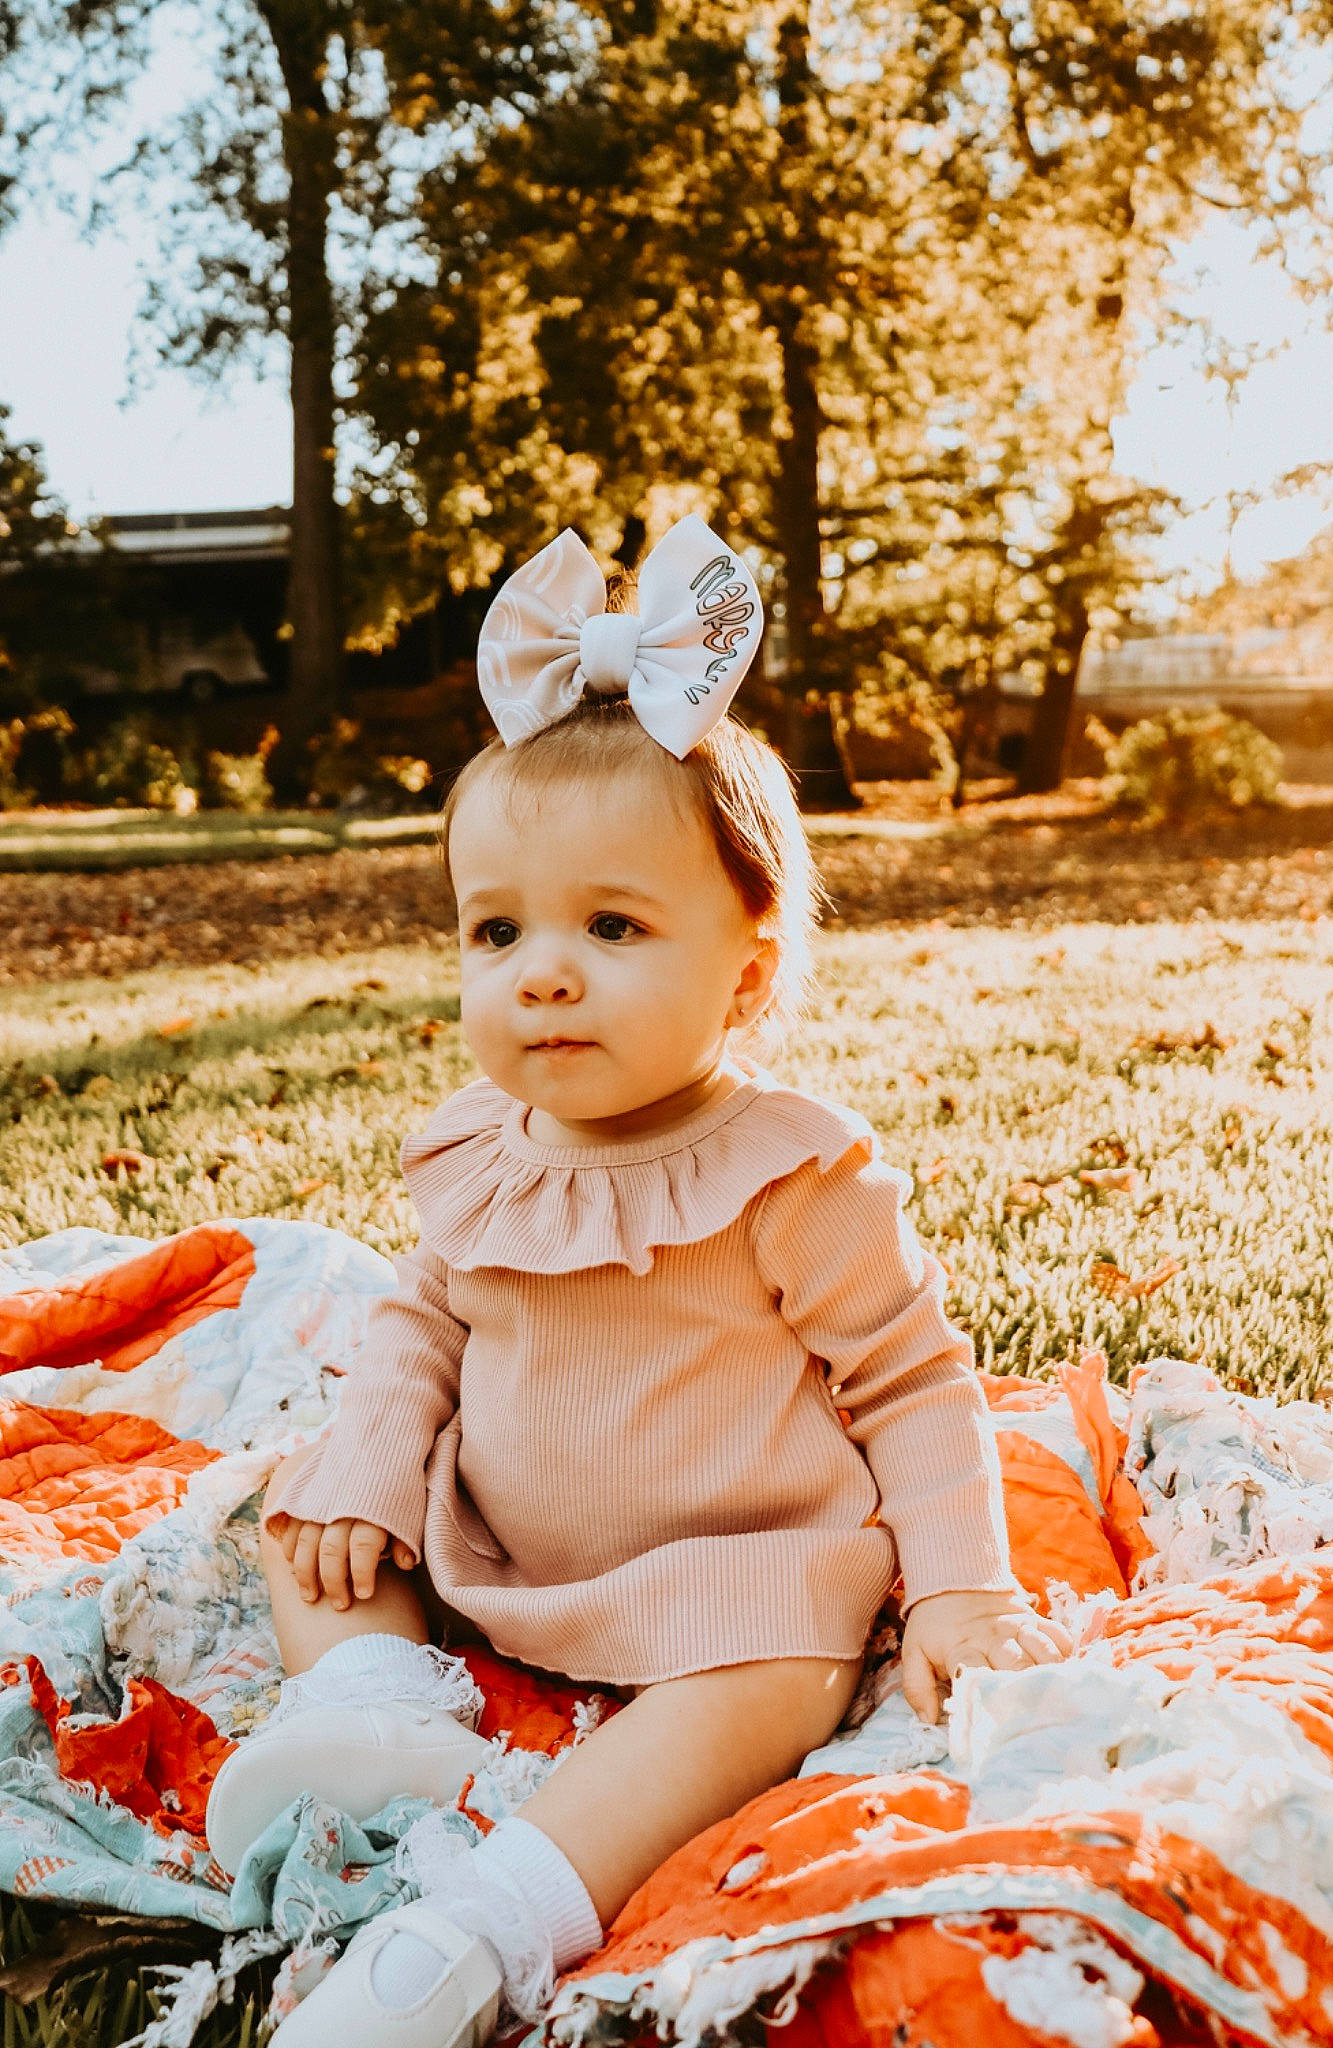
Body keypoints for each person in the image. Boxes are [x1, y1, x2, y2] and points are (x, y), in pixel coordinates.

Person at [206, 515, 1069, 2048]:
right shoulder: (485, 1146)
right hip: (504, 1553)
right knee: (308, 1516)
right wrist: (368, 1468)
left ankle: (485, 1921)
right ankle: (376, 1715)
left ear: (744, 965)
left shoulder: (789, 1172)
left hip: (731, 1570)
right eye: (497, 929)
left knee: (771, 1678)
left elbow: (914, 1380)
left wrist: (958, 1585)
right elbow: (422, 1320)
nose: (540, 970)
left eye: (610, 926)